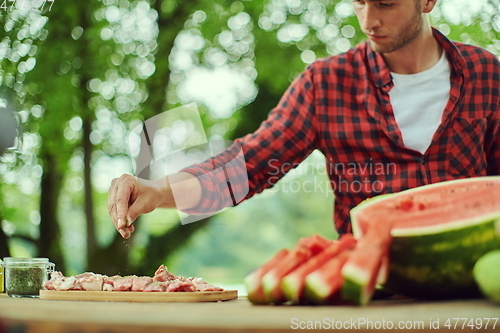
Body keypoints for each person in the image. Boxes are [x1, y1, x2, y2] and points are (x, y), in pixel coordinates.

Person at [108, 0, 500, 239]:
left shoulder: (487, 74)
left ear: (428, 1)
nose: (368, 21)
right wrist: (158, 192)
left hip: (473, 286)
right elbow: (248, 166)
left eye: (385, 4)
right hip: (366, 290)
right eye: (359, 2)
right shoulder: (325, 84)